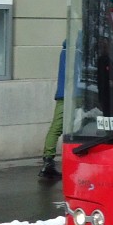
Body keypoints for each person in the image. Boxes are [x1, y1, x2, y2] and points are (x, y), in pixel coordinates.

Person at [39, 41, 67, 180]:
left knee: (55, 128)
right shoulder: (77, 51)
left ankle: (47, 161)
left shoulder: (64, 51)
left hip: (62, 94)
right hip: (74, 95)